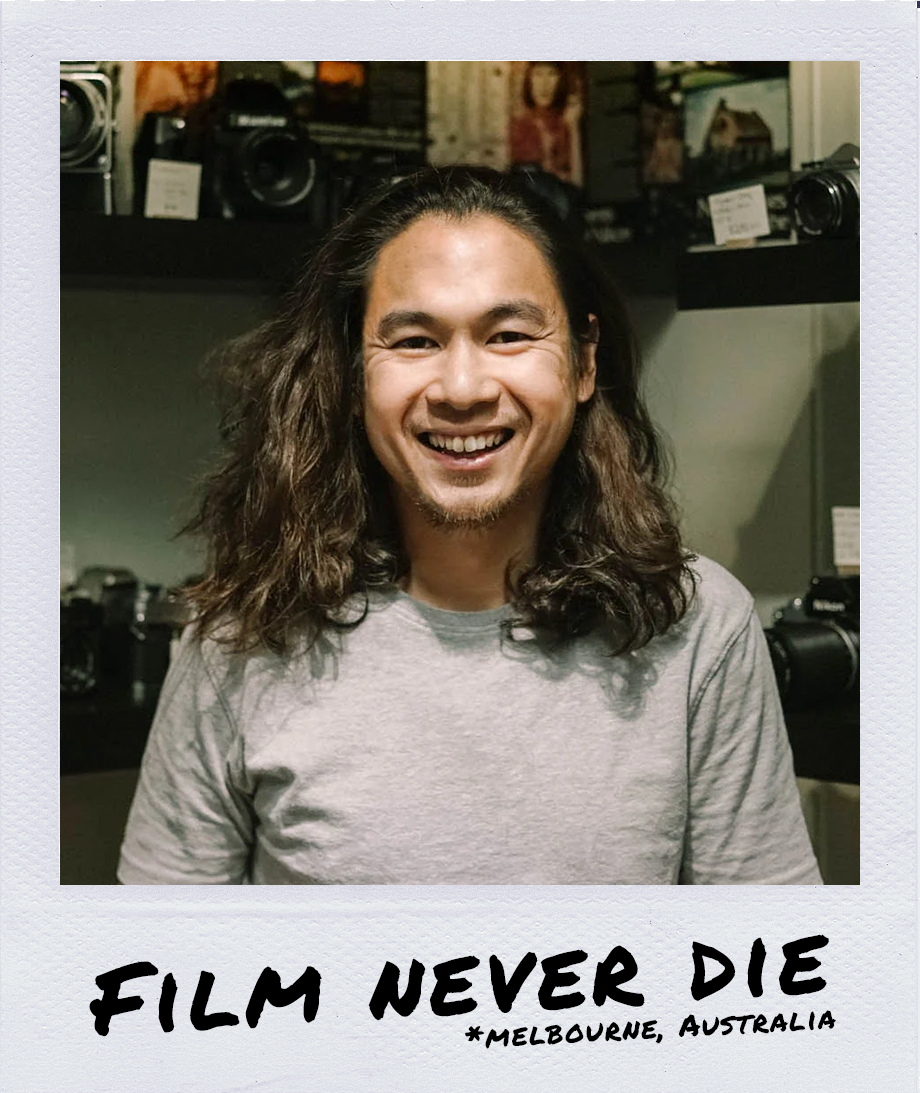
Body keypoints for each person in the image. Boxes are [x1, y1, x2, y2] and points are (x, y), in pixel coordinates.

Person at [117, 166, 821, 886]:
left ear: (583, 362)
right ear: (354, 371)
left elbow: (768, 970)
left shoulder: (698, 629)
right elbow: (160, 957)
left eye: (510, 334)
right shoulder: (244, 633)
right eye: (415, 341)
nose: (462, 389)